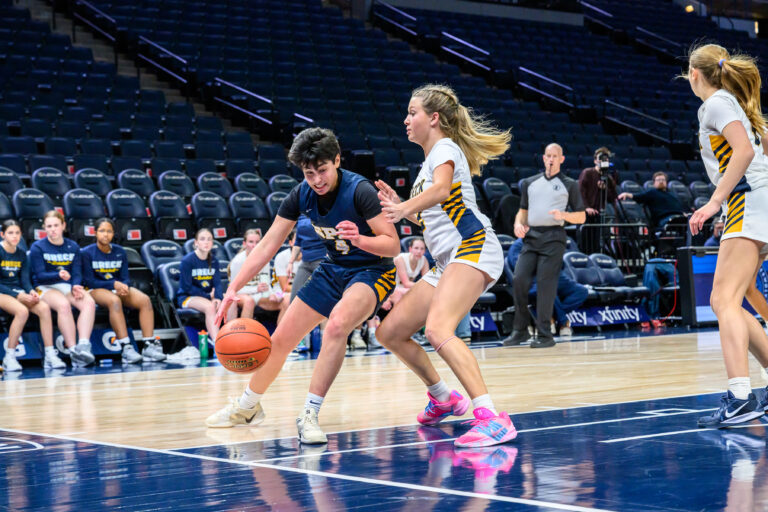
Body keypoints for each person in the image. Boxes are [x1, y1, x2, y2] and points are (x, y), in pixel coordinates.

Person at [207, 127, 400, 445]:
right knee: (280, 338)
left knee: (336, 326)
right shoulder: (301, 195)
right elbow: (268, 245)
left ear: (337, 160)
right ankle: (246, 408)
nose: (317, 180)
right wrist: (233, 289)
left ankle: (309, 413)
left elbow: (393, 246)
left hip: (372, 271)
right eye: (310, 173)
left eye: (322, 171)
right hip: (333, 270)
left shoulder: (360, 191)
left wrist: (359, 238)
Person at [374, 83, 517, 448]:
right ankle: (442, 397)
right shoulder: (429, 161)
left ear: (433, 118)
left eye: (412, 112)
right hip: (447, 259)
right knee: (389, 333)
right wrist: (405, 206)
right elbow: (434, 216)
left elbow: (440, 192)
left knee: (438, 330)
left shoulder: (445, 148)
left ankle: (491, 417)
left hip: (474, 246)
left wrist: (405, 207)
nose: (406, 119)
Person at [684, 43, 768, 427]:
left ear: (694, 74)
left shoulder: (717, 103)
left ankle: (740, 397)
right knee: (737, 297)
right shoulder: (735, 103)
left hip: (747, 201)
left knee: (722, 299)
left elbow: (745, 152)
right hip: (756, 201)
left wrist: (715, 201)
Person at [504, 143, 586, 348]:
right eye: (548, 155)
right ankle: (520, 330)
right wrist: (517, 224)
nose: (551, 159)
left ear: (561, 159)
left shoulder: (570, 184)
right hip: (531, 237)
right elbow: (522, 210)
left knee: (545, 284)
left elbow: (582, 216)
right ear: (543, 158)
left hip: (554, 237)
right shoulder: (530, 183)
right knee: (519, 279)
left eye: (555, 156)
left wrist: (564, 215)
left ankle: (545, 334)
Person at [81, 218, 166, 364]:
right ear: (95, 233)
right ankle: (126, 347)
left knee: (144, 300)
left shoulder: (120, 251)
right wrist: (114, 284)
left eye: (109, 231)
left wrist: (124, 286)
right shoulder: (86, 253)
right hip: (95, 289)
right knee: (114, 301)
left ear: (113, 233)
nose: (105, 235)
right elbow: (89, 281)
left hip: (116, 288)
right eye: (102, 231)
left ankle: (148, 345)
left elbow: (125, 277)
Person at [29, 210, 96, 366]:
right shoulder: (37, 247)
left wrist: (76, 286)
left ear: (63, 226)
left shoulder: (72, 246)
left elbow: (77, 272)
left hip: (66, 285)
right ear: (44, 228)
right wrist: (59, 274)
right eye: (49, 226)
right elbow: (39, 275)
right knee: (63, 305)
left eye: (56, 225)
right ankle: (73, 351)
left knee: (89, 302)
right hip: (44, 286)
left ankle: (83, 345)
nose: (52, 229)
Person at [0, 219, 62, 371]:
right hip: (2, 291)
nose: (14, 236)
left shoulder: (22, 255)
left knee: (44, 308)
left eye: (17, 233)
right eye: (10, 233)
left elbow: (25, 281)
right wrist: (18, 295)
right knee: (22, 311)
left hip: (17, 291)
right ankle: (9, 357)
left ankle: (49, 355)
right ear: (2, 235)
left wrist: (31, 292)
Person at [506, 238, 588, 337]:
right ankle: (563, 322)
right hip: (534, 280)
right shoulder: (518, 246)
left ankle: (546, 314)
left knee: (581, 291)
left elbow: (561, 264)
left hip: (557, 276)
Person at [227, 229, 290, 324]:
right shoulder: (237, 261)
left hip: (259, 294)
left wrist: (272, 293)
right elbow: (233, 290)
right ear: (244, 244)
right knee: (249, 301)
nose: (254, 245)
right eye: (251, 242)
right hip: (242, 294)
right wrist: (256, 289)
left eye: (257, 242)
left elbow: (266, 283)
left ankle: (279, 336)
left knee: (286, 300)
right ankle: (245, 336)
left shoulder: (264, 259)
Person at [176, 228, 227, 343]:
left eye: (209, 239)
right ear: (196, 243)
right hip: (187, 297)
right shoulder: (187, 261)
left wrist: (218, 298)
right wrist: (209, 296)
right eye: (202, 239)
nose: (206, 242)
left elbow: (217, 283)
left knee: (230, 302)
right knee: (210, 307)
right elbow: (186, 287)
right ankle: (217, 343)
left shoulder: (214, 261)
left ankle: (231, 338)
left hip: (208, 296)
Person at [288, 215, 326, 351]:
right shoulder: (301, 215)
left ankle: (326, 341)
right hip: (305, 263)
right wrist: (291, 261)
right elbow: (298, 241)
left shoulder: (323, 211)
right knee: (294, 301)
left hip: (321, 260)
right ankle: (301, 340)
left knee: (324, 303)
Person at [617, 171, 686, 227]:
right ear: (654, 183)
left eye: (663, 180)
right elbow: (639, 197)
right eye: (658, 180)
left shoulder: (672, 194)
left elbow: (679, 207)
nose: (661, 181)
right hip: (665, 219)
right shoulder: (652, 192)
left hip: (678, 217)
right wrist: (626, 194)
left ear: (666, 182)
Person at [579, 146, 619, 219]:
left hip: (600, 214)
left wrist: (605, 189)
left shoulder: (609, 177)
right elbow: (580, 193)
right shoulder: (587, 173)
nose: (603, 161)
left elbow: (612, 198)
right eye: (601, 158)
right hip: (586, 213)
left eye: (606, 159)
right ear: (595, 161)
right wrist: (586, 207)